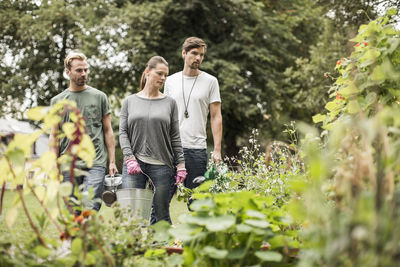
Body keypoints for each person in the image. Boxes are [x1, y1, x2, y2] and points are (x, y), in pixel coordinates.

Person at [119, 56, 186, 224]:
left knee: (161, 214)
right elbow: (123, 132)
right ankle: (133, 249)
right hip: (134, 164)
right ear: (147, 72)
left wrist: (181, 165)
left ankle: (161, 249)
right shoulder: (129, 101)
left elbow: (175, 136)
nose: (163, 78)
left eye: (165, 75)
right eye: (159, 73)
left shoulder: (170, 103)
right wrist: (129, 157)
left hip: (162, 166)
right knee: (131, 214)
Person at [50, 51, 118, 213]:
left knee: (90, 205)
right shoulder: (57, 101)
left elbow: (108, 131)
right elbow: (54, 135)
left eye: (86, 70)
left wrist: (112, 161)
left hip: (95, 162)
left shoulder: (99, 97)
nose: (84, 74)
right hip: (68, 163)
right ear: (68, 72)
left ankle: (84, 234)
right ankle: (79, 237)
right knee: (73, 211)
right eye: (79, 70)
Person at [164, 37, 223, 196]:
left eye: (202, 55)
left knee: (197, 201)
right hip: (171, 149)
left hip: (196, 149)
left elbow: (216, 116)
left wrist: (217, 149)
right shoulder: (170, 81)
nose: (198, 58)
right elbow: (164, 115)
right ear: (184, 53)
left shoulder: (211, 81)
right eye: (194, 53)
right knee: (162, 199)